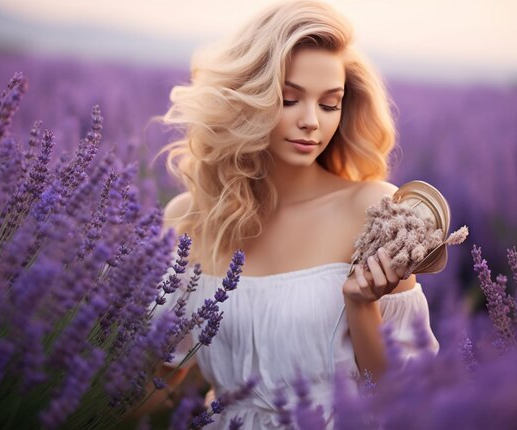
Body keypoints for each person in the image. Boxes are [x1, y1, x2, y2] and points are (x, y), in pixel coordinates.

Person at [159, 1, 439, 427]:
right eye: (289, 99)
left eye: (330, 104)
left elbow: (405, 399)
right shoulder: (192, 219)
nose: (311, 121)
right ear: (246, 98)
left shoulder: (374, 211)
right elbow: (159, 380)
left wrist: (362, 305)